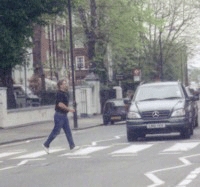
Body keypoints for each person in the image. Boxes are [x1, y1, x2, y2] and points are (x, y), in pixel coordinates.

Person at [43, 79, 79, 154]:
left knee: (68, 131)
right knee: (56, 131)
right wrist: (69, 109)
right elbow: (60, 104)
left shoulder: (65, 93)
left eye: (66, 83)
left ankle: (72, 145)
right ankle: (46, 144)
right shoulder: (59, 93)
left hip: (64, 115)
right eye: (64, 83)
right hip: (59, 115)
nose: (66, 84)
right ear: (61, 85)